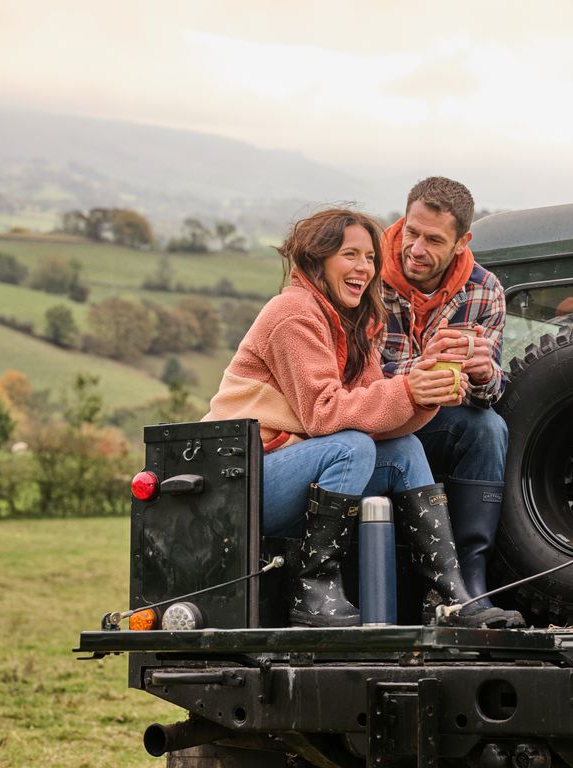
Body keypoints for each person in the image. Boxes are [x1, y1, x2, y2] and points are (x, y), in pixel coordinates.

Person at [203, 208, 506, 629]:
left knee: (404, 449)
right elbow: (324, 413)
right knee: (351, 446)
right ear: (316, 261)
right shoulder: (292, 313)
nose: (364, 268)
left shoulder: (357, 322)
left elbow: (371, 411)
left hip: (293, 466)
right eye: (350, 255)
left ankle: (447, 595)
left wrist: (423, 393)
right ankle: (313, 589)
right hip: (242, 482)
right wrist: (406, 390)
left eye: (370, 258)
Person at [380, 178, 525, 628]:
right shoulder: (365, 277)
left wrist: (484, 374)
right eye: (411, 232)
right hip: (369, 422)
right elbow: (347, 377)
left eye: (434, 240)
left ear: (462, 241)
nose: (416, 249)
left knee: (489, 428)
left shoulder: (486, 290)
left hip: (436, 420)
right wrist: (419, 373)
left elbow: (489, 395)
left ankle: (469, 585)